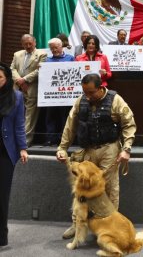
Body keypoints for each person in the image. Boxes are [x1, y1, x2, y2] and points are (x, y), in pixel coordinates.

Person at [56, 73, 136, 239]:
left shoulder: (116, 100)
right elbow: (70, 126)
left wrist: (126, 149)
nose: (88, 96)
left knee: (109, 188)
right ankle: (77, 224)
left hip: (110, 149)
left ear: (101, 88)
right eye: (85, 92)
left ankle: (109, 228)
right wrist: (62, 148)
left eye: (91, 92)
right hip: (88, 150)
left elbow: (129, 124)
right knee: (82, 187)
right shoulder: (81, 101)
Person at [0, 62, 28, 247]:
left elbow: (19, 126)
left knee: (2, 196)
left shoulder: (17, 97)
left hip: (4, 152)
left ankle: (1, 236)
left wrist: (23, 148)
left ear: (7, 79)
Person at [10, 34, 47, 146]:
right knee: (15, 113)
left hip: (32, 88)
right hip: (17, 89)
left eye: (30, 43)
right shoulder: (17, 54)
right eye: (25, 44)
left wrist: (25, 80)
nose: (28, 46)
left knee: (30, 117)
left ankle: (25, 142)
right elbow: (12, 68)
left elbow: (40, 70)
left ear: (35, 43)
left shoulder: (42, 54)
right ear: (22, 44)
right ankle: (13, 139)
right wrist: (19, 81)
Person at [44, 38, 75, 146]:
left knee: (64, 117)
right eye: (51, 48)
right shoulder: (47, 60)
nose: (54, 50)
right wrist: (41, 68)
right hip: (51, 95)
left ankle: (64, 139)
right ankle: (50, 139)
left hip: (65, 95)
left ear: (61, 47)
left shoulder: (70, 58)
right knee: (50, 117)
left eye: (56, 47)